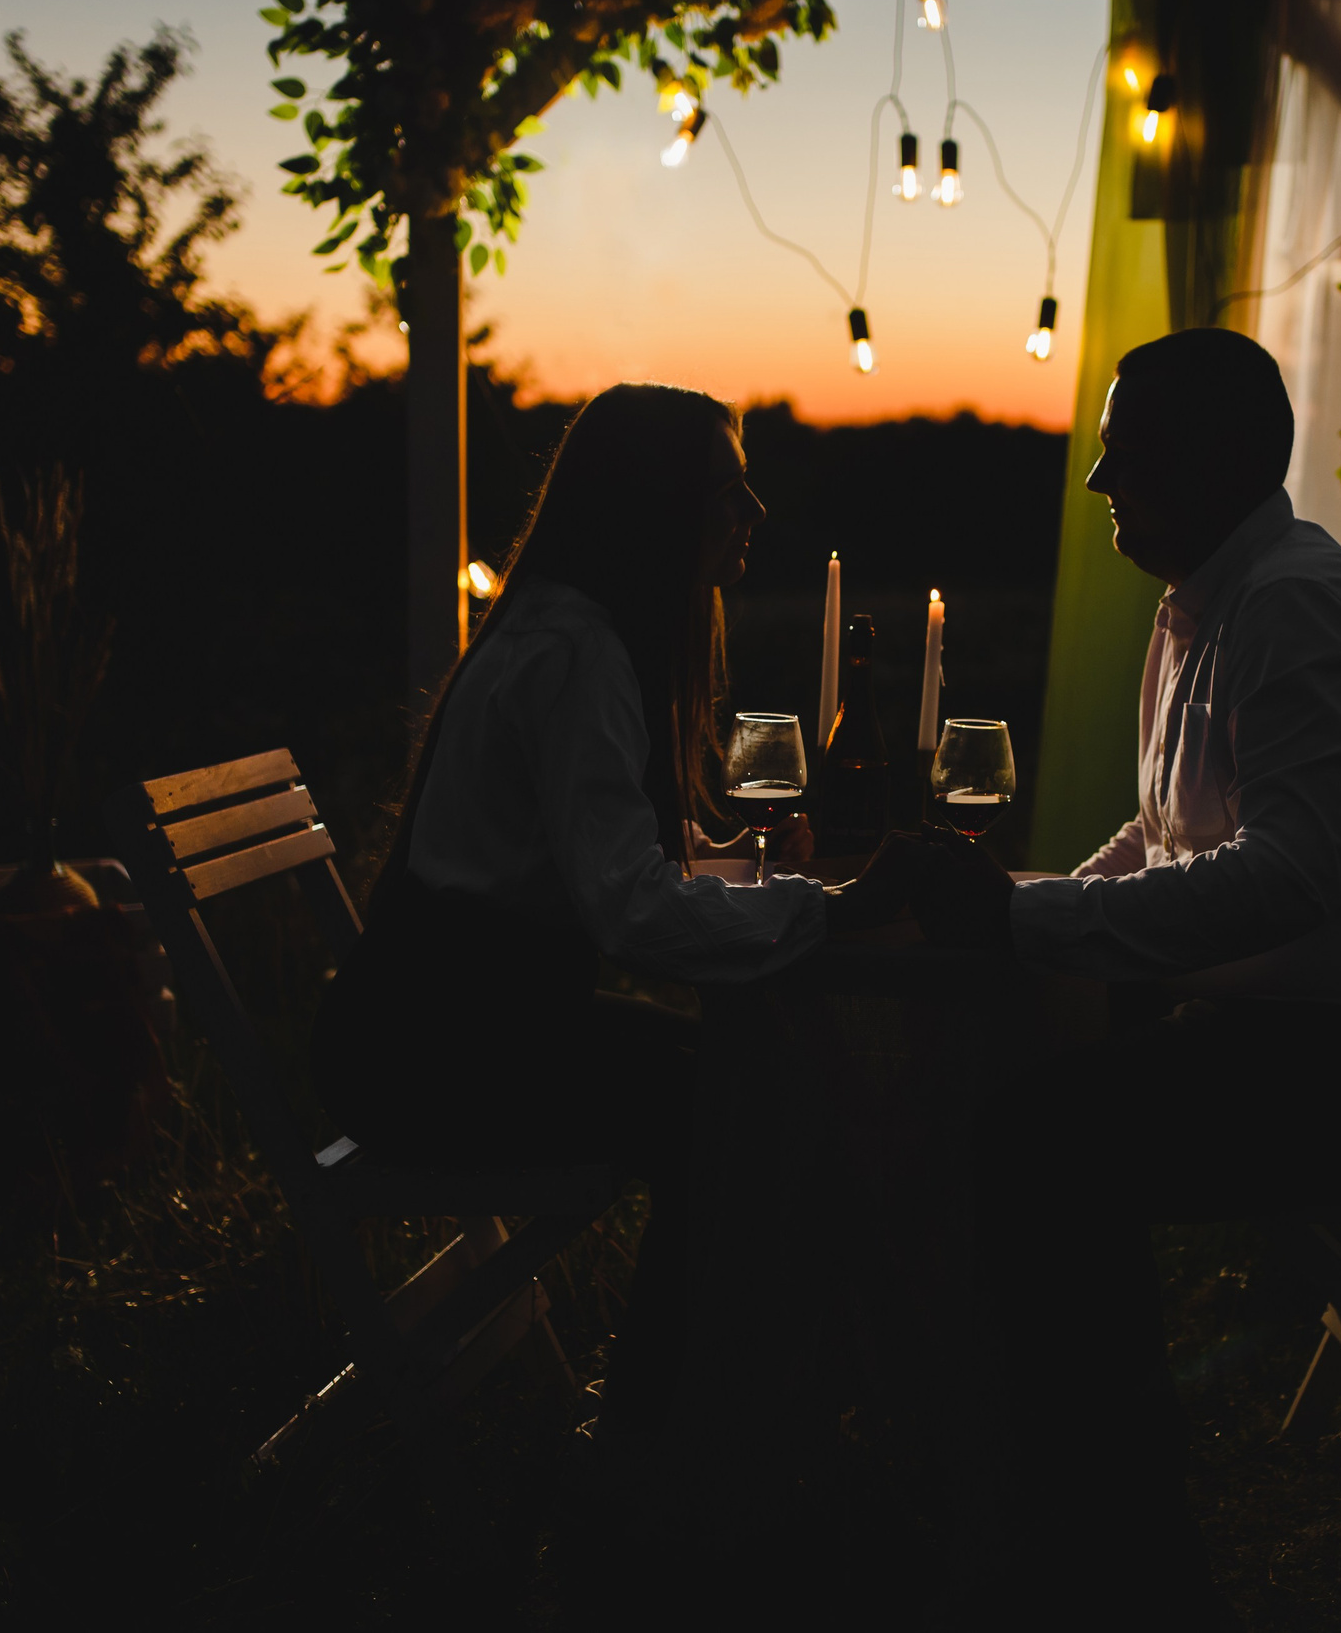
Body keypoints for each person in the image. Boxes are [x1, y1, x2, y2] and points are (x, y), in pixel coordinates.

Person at [913, 328, 1341, 1619]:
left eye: (1122, 449)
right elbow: (1165, 836)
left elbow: (1289, 873)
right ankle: (1037, 1503)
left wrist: (1021, 923)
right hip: (1307, 1026)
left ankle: (1116, 1559)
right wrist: (1029, 902)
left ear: (1220, 456)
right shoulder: (1201, 602)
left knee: (1041, 1142)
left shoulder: (1296, 604)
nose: (1096, 481)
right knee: (1015, 1099)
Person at [313, 382, 908, 1457]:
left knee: (739, 1081)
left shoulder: (559, 628)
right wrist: (827, 914)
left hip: (431, 1033)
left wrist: (741, 874)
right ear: (656, 505)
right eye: (726, 489)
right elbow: (631, 914)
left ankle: (704, 1402)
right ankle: (675, 1423)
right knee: (736, 1096)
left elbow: (609, 868)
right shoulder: (578, 653)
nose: (753, 513)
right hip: (435, 1065)